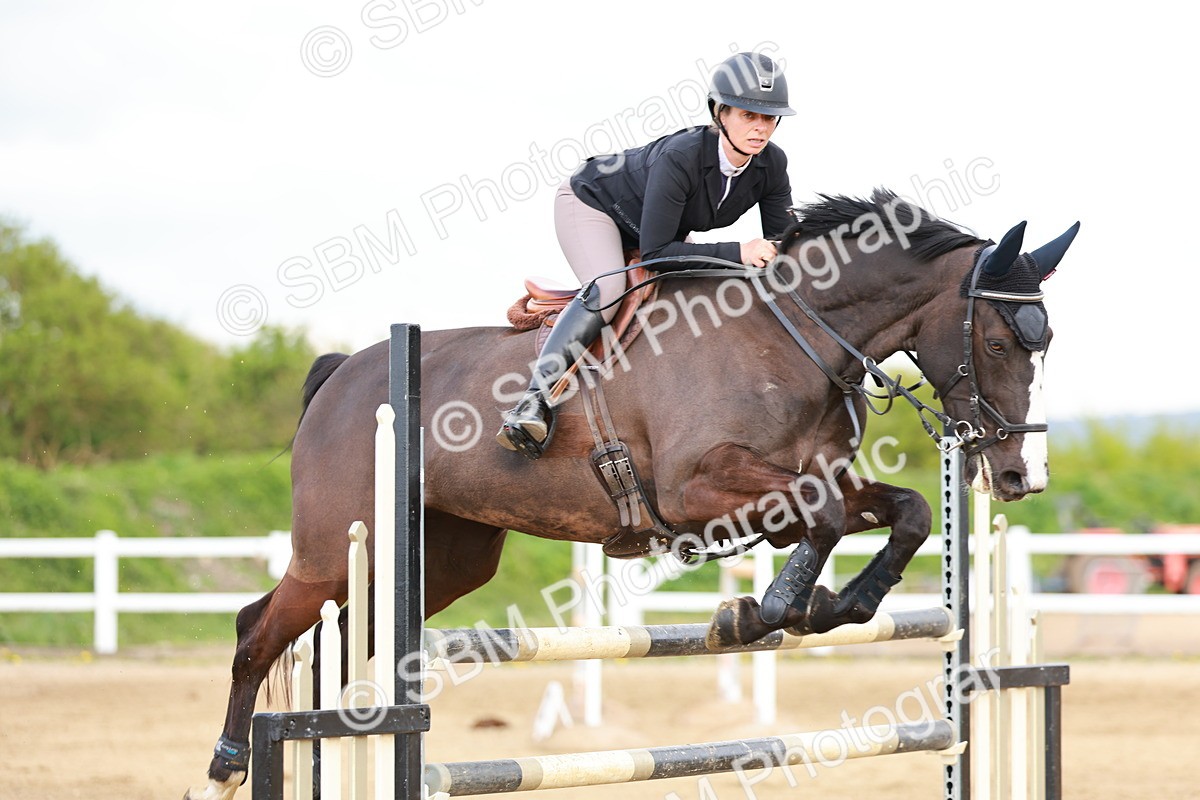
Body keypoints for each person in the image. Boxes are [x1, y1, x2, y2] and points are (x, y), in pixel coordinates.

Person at [496, 51, 796, 459]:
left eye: (769, 118)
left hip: (658, 230)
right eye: (748, 115)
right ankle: (533, 401)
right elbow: (656, 255)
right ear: (720, 112)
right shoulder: (683, 155)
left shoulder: (772, 165)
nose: (760, 129)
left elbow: (781, 245)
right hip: (593, 206)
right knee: (610, 288)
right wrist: (740, 251)